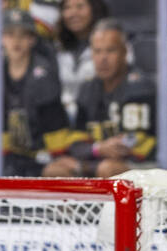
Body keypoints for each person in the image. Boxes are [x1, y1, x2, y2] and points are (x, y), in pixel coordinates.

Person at [44, 19, 156, 178]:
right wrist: (96, 149)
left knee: (108, 169)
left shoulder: (138, 87)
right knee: (56, 170)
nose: (103, 58)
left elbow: (131, 147)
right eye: (97, 51)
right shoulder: (87, 88)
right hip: (99, 160)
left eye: (110, 51)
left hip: (147, 166)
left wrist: (87, 158)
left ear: (125, 52)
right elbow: (75, 142)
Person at [0, 9, 77, 176]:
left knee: (57, 172)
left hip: (42, 156)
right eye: (10, 34)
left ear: (32, 39)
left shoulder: (43, 76)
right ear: (1, 38)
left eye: (23, 35)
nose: (16, 41)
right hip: (11, 158)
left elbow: (54, 122)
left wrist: (57, 155)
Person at [54, 0, 112, 122]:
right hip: (63, 121)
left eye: (80, 7)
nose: (73, 13)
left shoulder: (114, 42)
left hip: (101, 117)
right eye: (67, 8)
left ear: (94, 9)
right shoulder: (56, 47)